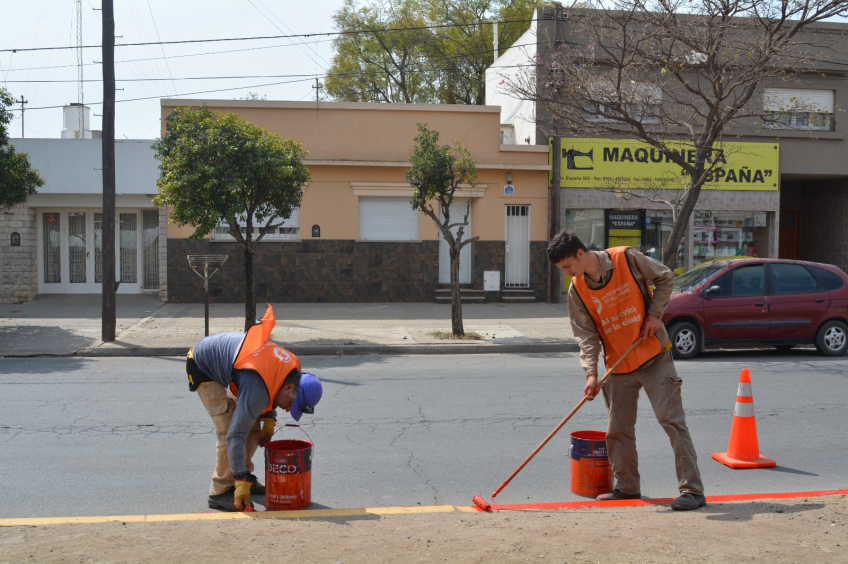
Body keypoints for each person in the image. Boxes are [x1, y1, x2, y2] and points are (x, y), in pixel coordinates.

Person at [548, 230, 706, 511]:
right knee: (618, 431)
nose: (567, 273)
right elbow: (586, 335)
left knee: (671, 421)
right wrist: (591, 373)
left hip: (654, 357)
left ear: (581, 254)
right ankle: (627, 488)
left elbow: (666, 277)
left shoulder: (626, 259)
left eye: (567, 266)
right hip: (618, 366)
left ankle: (692, 490)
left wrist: (654, 315)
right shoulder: (578, 289)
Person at [186, 305, 323, 512]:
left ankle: (244, 476)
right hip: (204, 365)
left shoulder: (292, 367)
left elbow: (272, 384)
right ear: (290, 388)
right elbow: (236, 433)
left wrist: (269, 417)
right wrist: (238, 482)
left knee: (253, 427)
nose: (288, 410)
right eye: (291, 405)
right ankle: (221, 491)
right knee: (229, 429)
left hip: (241, 367)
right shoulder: (257, 389)